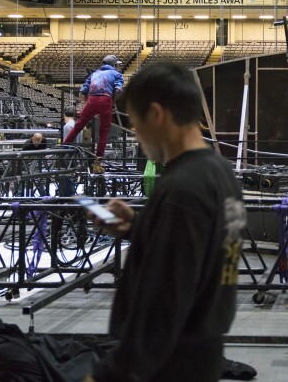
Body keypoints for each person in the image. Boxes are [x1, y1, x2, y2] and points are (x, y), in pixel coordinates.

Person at [86, 61, 246, 382]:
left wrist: (108, 374)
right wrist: (139, 226)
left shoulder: (182, 189)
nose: (135, 132)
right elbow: (201, 253)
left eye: (135, 121)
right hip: (205, 352)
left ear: (157, 115)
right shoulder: (221, 173)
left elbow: (163, 306)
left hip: (168, 364)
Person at [64, 55, 124, 172]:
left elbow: (83, 91)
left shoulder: (94, 74)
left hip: (91, 100)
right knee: (103, 131)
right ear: (113, 64)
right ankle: (98, 162)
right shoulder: (116, 74)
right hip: (106, 100)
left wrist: (86, 102)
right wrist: (112, 101)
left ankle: (63, 148)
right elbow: (119, 90)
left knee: (78, 126)